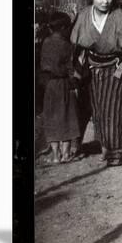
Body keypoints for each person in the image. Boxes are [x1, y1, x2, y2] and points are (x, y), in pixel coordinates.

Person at [71, 0, 122, 166]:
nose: (105, 1)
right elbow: (77, 46)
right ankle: (104, 146)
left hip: (117, 67)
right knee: (98, 110)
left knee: (113, 109)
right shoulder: (84, 15)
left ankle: (114, 153)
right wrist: (77, 72)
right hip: (93, 68)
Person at [40, 11, 81, 163]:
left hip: (49, 85)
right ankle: (66, 154)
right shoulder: (66, 44)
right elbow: (70, 68)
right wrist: (74, 82)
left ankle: (55, 156)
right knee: (67, 117)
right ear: (64, 27)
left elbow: (44, 64)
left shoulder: (45, 42)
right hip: (63, 84)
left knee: (52, 118)